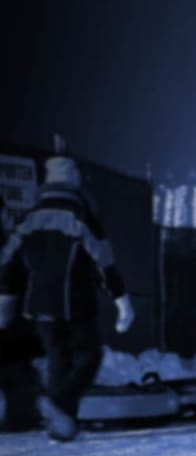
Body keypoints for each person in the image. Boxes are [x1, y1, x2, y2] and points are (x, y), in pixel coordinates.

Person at [0, 156, 134, 440]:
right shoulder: (81, 216)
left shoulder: (28, 218)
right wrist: (121, 301)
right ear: (74, 181)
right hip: (76, 301)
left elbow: (8, 262)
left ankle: (62, 427)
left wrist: (5, 301)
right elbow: (104, 262)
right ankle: (59, 405)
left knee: (58, 357)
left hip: (38, 303)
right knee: (89, 356)